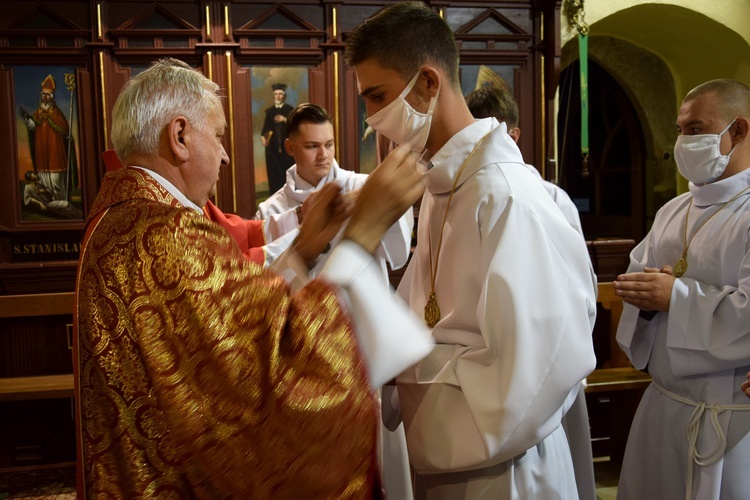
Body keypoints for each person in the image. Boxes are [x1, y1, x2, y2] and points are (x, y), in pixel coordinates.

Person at [74, 57, 433, 498]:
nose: (225, 153)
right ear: (180, 136)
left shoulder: (126, 217)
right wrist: (360, 236)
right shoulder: (165, 235)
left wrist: (303, 249)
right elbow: (272, 367)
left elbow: (237, 321)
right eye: (220, 135)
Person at [345, 3, 597, 498]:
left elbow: (529, 374)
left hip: (508, 474)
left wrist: (403, 365)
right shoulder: (442, 190)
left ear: (427, 83)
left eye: (377, 97)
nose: (373, 119)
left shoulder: (507, 198)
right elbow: (426, 317)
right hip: (450, 461)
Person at [614, 79, 750, 499]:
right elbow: (641, 291)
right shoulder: (673, 210)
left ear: (739, 130)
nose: (683, 141)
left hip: (729, 420)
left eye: (695, 130)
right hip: (664, 404)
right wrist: (647, 301)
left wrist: (675, 296)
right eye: (680, 130)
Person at [465, 85, 596, 500]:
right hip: (493, 370)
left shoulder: (549, 198)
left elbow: (580, 287)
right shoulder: (461, 193)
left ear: (513, 136)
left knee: (554, 467)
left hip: (545, 364)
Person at [255, 102, 414, 278]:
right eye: (312, 146)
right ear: (290, 147)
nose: (323, 155)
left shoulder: (363, 187)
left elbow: (398, 254)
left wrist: (378, 199)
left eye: (329, 144)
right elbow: (267, 281)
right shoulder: (270, 211)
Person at [465, 85, 584, 235]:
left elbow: (574, 257)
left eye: (486, 137)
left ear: (513, 136)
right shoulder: (460, 191)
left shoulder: (553, 198)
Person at [20, 74, 72, 201]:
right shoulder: (38, 112)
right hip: (41, 148)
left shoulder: (56, 112)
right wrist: (27, 119)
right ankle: (47, 201)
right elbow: (32, 127)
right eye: (43, 94)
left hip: (54, 148)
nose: (45, 96)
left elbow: (64, 128)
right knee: (43, 176)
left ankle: (60, 200)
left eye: (48, 94)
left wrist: (66, 135)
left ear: (52, 96)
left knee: (55, 177)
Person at [261, 82, 295, 194]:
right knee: (274, 174)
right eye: (276, 94)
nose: (278, 96)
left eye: (280, 94)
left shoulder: (290, 110)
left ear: (284, 96)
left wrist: (284, 119)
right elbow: (265, 128)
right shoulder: (269, 112)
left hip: (287, 151)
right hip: (273, 150)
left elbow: (295, 126)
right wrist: (262, 137)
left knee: (287, 173)